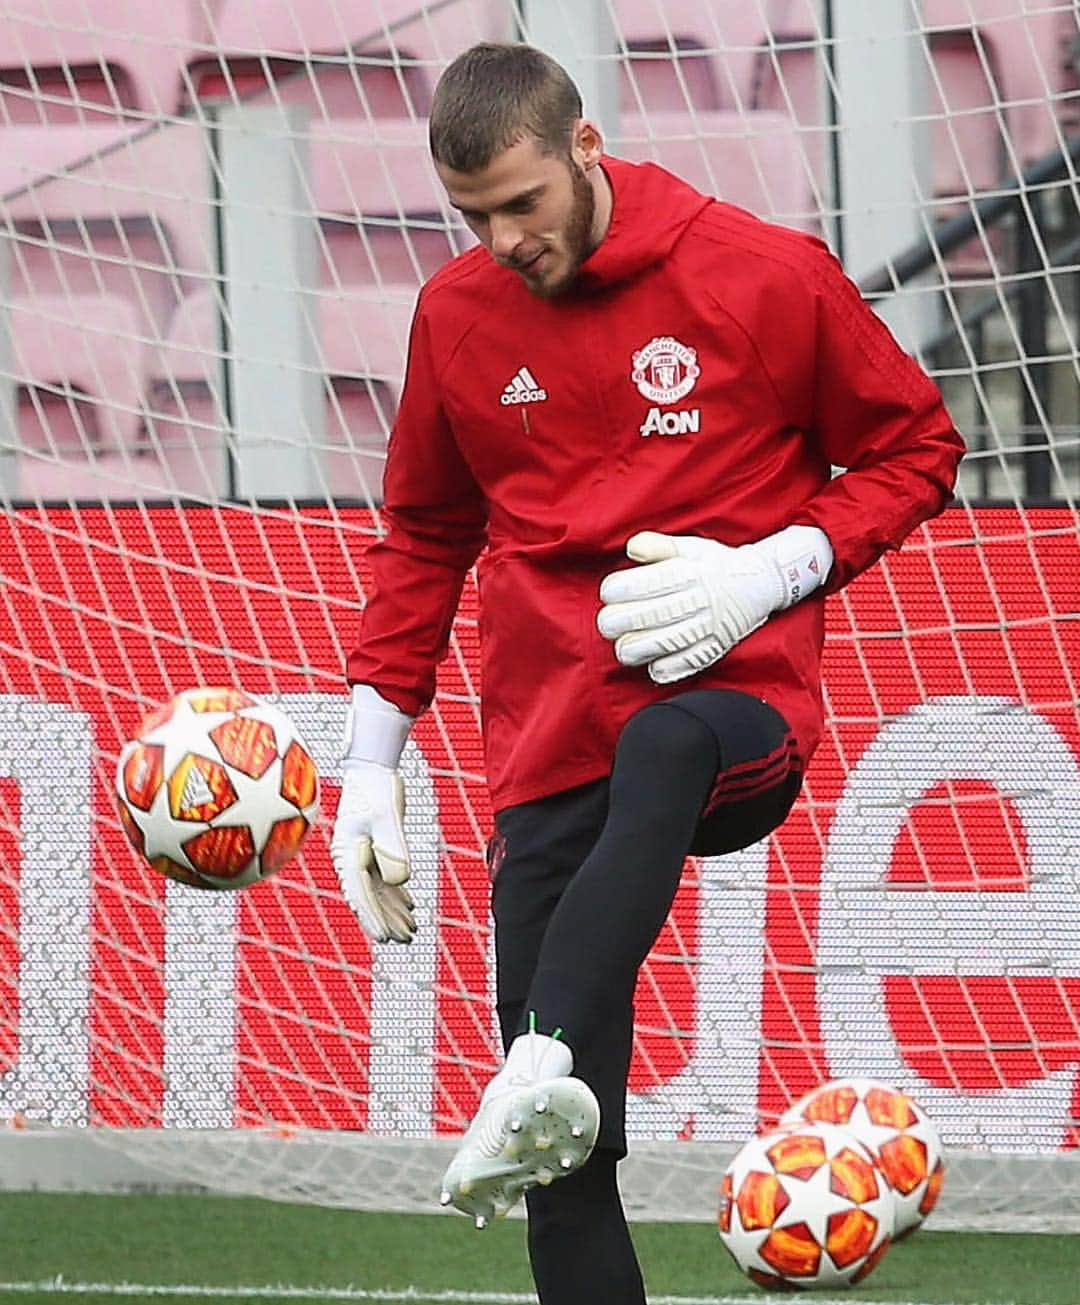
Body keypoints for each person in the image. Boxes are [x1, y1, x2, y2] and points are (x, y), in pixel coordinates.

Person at [330, 40, 965, 1304]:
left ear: (584, 150)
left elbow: (916, 446)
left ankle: (538, 1052)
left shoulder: (761, 275)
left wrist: (774, 568)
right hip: (547, 738)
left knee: (664, 749)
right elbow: (425, 537)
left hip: (731, 711)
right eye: (473, 217)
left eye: (522, 204)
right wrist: (368, 763)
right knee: (563, 1161)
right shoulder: (456, 317)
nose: (504, 239)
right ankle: (546, 1071)